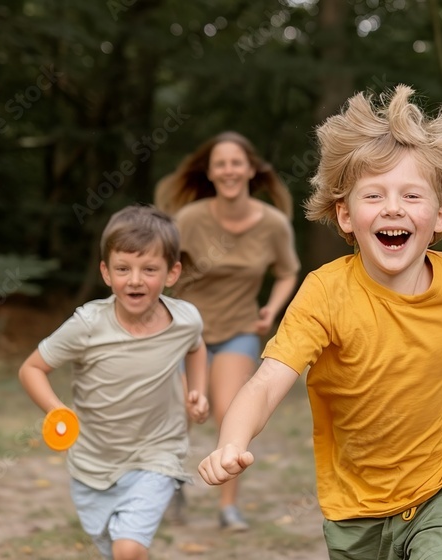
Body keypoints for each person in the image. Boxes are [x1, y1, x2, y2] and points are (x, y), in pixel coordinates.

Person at [197, 85, 442, 559]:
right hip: (356, 508)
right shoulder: (325, 293)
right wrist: (230, 441)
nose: (393, 208)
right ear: (345, 214)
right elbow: (266, 382)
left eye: (412, 195)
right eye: (374, 195)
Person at [18, 205, 209, 560]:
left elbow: (196, 348)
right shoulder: (87, 325)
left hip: (158, 452)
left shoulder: (185, 320)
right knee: (117, 551)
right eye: (123, 269)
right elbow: (31, 368)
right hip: (92, 463)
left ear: (172, 272)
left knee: (128, 548)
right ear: (106, 272)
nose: (135, 280)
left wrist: (197, 390)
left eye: (149, 269)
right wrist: (57, 410)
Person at [154, 131, 300, 530]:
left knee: (230, 415)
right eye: (221, 163)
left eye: (237, 162)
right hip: (187, 333)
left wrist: (272, 307)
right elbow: (162, 263)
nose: (229, 170)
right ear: (211, 172)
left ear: (251, 169)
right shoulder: (190, 219)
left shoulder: (272, 224)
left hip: (239, 328)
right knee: (181, 413)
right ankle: (172, 485)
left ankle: (227, 507)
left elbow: (287, 271)